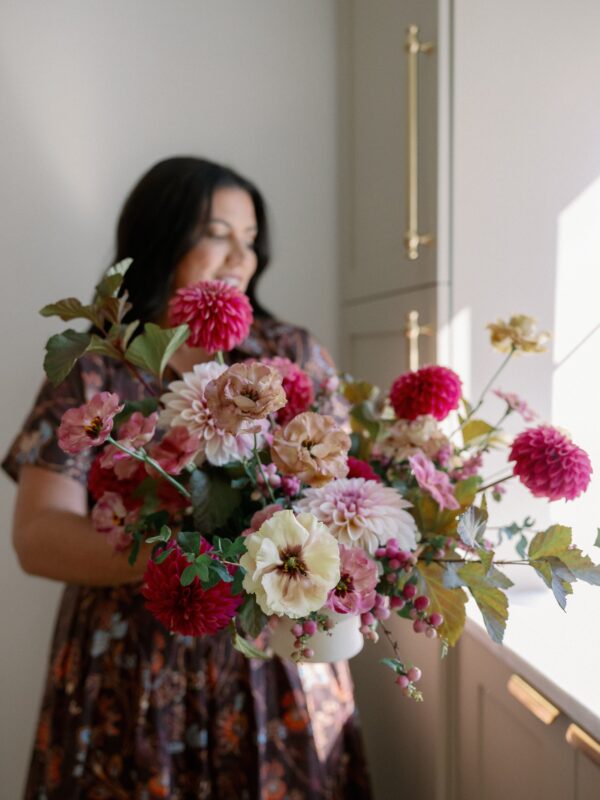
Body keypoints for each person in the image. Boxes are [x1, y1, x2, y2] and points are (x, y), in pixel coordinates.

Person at [3, 157, 373, 799]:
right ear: (159, 239)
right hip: (127, 665)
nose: (240, 257)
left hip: (272, 660)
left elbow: (346, 504)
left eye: (250, 238)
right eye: (216, 233)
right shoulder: (97, 366)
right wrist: (189, 560)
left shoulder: (292, 355)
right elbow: (36, 536)